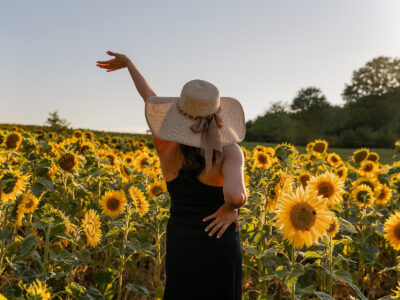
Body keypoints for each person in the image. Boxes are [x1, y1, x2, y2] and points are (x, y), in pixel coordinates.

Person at [96, 51, 248, 300]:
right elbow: (235, 194)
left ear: (179, 112)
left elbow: (150, 99)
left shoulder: (164, 143)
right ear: (218, 113)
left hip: (182, 240)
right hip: (218, 239)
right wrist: (230, 208)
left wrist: (130, 65)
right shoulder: (230, 151)